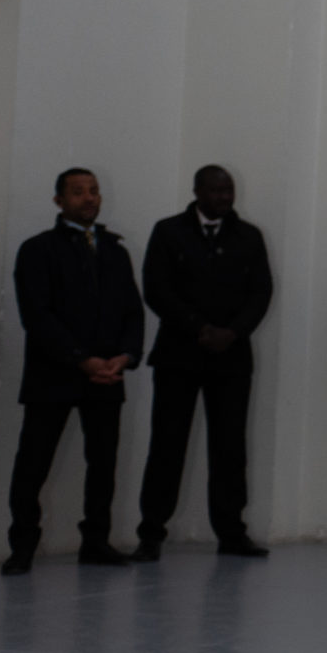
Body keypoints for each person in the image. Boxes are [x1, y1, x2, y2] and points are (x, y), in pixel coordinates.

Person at [8, 167, 145, 572]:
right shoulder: (38, 249)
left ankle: (96, 542)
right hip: (53, 373)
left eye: (94, 191)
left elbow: (132, 310)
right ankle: (22, 546)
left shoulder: (115, 250)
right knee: (33, 463)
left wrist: (126, 355)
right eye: (78, 192)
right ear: (59, 200)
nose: (89, 198)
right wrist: (80, 358)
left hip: (107, 374)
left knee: (102, 463)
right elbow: (37, 315)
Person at [135, 165, 274, 559]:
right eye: (215, 190)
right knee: (167, 445)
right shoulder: (168, 232)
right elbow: (156, 289)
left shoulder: (249, 236)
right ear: (196, 191)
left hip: (231, 357)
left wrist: (233, 332)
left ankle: (231, 533)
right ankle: (151, 532)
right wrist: (198, 327)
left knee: (230, 448)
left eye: (228, 190)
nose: (224, 197)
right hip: (178, 355)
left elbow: (261, 292)